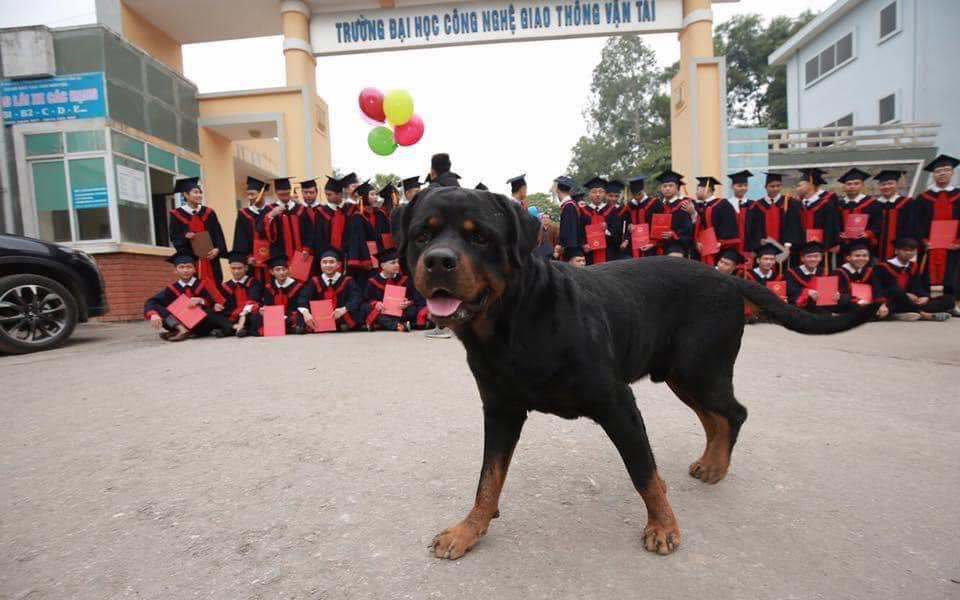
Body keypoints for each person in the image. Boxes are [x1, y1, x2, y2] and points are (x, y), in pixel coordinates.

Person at [144, 254, 232, 341]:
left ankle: (183, 332)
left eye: (189, 267)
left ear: (194, 269)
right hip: (182, 322)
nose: (185, 270)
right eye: (181, 267)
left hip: (202, 324)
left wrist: (201, 300)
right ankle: (181, 329)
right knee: (157, 306)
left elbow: (215, 301)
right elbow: (151, 301)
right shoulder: (171, 289)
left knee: (210, 312)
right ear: (175, 270)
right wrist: (153, 315)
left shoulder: (204, 284)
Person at [912, 154, 960, 301]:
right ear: (933, 174)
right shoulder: (923, 198)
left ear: (952, 172)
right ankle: (927, 303)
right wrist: (923, 240)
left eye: (946, 170)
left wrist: (959, 241)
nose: (942, 173)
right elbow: (916, 222)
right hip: (929, 246)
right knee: (925, 275)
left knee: (953, 275)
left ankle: (951, 304)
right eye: (938, 171)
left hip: (953, 246)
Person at [875, 237, 956, 321]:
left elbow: (918, 287)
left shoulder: (914, 266)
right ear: (896, 251)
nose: (909, 253)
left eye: (912, 250)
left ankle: (904, 313)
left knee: (948, 299)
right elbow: (879, 289)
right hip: (892, 300)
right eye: (905, 250)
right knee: (898, 292)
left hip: (911, 302)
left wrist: (924, 297)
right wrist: (905, 295)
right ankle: (924, 315)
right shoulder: (881, 267)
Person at [168, 177, 227, 283]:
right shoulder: (176, 215)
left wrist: (218, 249)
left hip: (211, 258)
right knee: (194, 286)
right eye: (195, 192)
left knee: (215, 284)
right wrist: (185, 236)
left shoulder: (209, 213)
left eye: (200, 192)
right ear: (186, 195)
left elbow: (218, 233)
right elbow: (174, 237)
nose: (199, 195)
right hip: (191, 260)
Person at [294, 249, 364, 332]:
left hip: (341, 313)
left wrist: (344, 309)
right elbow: (303, 297)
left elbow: (356, 297)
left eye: (331, 262)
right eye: (324, 262)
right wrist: (306, 313)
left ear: (338, 264)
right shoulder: (314, 281)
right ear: (320, 264)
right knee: (301, 312)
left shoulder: (347, 280)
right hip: (319, 316)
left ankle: (342, 324)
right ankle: (339, 325)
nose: (328, 265)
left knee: (357, 309)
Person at [785, 168, 841, 266]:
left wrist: (831, 244)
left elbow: (832, 226)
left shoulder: (826, 204)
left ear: (810, 185)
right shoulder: (796, 204)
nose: (797, 188)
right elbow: (791, 227)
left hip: (820, 248)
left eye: (799, 185)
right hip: (799, 248)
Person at [362, 249, 428, 331]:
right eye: (393, 263)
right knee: (365, 308)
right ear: (383, 266)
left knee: (413, 309)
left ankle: (381, 324)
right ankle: (398, 326)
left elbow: (413, 298)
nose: (397, 265)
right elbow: (367, 299)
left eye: (397, 262)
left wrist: (407, 303)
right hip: (382, 311)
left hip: (400, 310)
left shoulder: (405, 280)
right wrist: (376, 303)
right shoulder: (373, 281)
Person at [262, 177, 315, 277]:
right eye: (281, 194)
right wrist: (270, 216)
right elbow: (260, 230)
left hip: (300, 254)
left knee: (299, 282)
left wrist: (307, 248)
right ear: (276, 192)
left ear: (290, 190)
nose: (285, 197)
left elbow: (311, 232)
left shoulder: (301, 209)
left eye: (287, 193)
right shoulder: (269, 209)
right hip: (279, 256)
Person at [783, 241, 850, 313]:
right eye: (809, 256)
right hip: (804, 305)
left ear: (821, 258)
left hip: (821, 303)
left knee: (845, 300)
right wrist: (807, 292)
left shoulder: (824, 271)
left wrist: (836, 293)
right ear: (802, 258)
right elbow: (790, 290)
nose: (813, 259)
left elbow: (830, 289)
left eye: (816, 256)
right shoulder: (791, 273)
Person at [250, 254, 308, 335]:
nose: (281, 272)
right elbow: (268, 305)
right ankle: (290, 330)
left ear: (288, 270)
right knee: (256, 316)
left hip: (291, 315)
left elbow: (299, 306)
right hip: (274, 315)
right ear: (271, 272)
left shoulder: (298, 286)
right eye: (278, 270)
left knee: (299, 316)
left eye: (284, 269)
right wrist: (263, 310)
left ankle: (274, 329)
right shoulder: (269, 287)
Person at [232, 176, 271, 284]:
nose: (250, 197)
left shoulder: (272, 211)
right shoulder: (243, 214)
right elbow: (240, 238)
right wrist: (247, 257)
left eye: (252, 194)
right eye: (248, 194)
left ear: (262, 193)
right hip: (252, 261)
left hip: (271, 260)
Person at [694, 175, 739, 265]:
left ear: (706, 189)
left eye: (698, 189)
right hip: (704, 248)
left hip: (720, 249)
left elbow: (729, 225)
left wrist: (721, 242)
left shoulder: (723, 204)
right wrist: (697, 241)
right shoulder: (702, 206)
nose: (696, 192)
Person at [836, 168, 882, 254]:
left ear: (862, 185)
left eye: (856, 183)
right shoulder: (838, 204)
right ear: (844, 187)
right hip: (844, 246)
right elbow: (834, 224)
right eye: (849, 184)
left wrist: (868, 233)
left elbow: (878, 224)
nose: (852, 186)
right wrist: (838, 233)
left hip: (865, 245)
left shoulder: (873, 204)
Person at [872, 169, 914, 261]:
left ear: (897, 185)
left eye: (890, 183)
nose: (886, 186)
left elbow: (912, 227)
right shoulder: (874, 205)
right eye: (883, 184)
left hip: (901, 250)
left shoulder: (908, 204)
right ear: (879, 186)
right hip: (875, 251)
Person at [745, 172, 790, 255]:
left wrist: (789, 244)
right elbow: (754, 229)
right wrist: (758, 243)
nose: (775, 188)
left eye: (778, 186)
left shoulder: (790, 203)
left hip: (784, 248)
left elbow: (794, 226)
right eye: (772, 186)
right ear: (765, 187)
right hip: (763, 249)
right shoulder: (757, 206)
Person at [580, 177, 621, 264]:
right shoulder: (582, 211)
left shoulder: (613, 211)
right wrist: (583, 244)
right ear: (589, 194)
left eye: (600, 191)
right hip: (589, 255)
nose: (597, 194)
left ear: (605, 194)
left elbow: (618, 232)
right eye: (594, 191)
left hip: (609, 255)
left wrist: (606, 231)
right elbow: (579, 232)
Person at [221, 251, 263, 337]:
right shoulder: (226, 285)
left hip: (248, 314)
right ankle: (238, 328)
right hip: (233, 315)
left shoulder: (253, 282)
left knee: (256, 317)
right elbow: (226, 306)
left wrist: (243, 313)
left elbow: (253, 299)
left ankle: (229, 330)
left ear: (246, 268)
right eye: (233, 268)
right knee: (213, 314)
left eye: (239, 268)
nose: (236, 271)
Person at [655, 169, 695, 257]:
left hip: (677, 244)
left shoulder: (685, 205)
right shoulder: (659, 206)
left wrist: (674, 235)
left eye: (670, 185)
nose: (667, 188)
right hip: (659, 244)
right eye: (664, 186)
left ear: (677, 187)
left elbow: (688, 230)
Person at [621, 175, 661, 258]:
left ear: (643, 190)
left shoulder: (655, 203)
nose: (636, 197)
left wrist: (654, 242)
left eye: (639, 194)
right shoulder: (629, 207)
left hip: (652, 245)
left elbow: (660, 225)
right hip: (633, 246)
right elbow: (625, 225)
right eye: (634, 194)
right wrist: (627, 234)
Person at [318, 175, 354, 256]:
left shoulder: (351, 209)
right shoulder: (321, 212)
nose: (327, 197)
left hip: (349, 253)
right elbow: (319, 237)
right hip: (328, 255)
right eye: (326, 194)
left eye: (329, 194)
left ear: (339, 194)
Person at [555, 175, 582, 261]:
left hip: (570, 250)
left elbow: (568, 230)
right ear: (570, 190)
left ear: (557, 190)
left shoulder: (568, 206)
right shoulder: (570, 204)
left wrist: (562, 245)